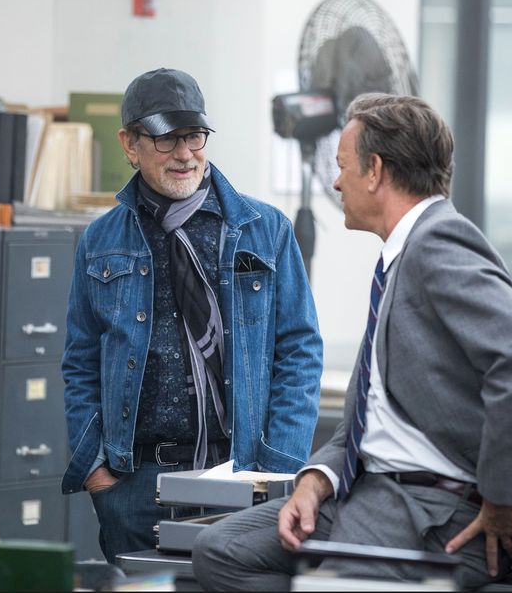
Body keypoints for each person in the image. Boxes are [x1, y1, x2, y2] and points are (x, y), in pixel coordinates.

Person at [192, 94, 512, 590]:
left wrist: (504, 498)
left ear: (375, 170)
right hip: (370, 493)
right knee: (218, 552)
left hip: (429, 511)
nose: (336, 183)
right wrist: (316, 480)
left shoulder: (437, 242)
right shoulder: (398, 257)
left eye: (343, 167)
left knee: (327, 586)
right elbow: (370, 410)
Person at [61, 68, 323, 562]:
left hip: (243, 475)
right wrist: (96, 473)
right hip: (136, 485)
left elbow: (300, 352)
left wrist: (279, 466)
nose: (185, 154)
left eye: (194, 136)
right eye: (167, 139)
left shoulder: (265, 230)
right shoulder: (101, 241)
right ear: (130, 143)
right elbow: (81, 362)